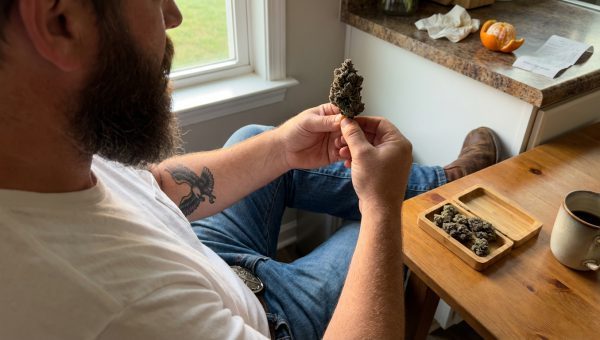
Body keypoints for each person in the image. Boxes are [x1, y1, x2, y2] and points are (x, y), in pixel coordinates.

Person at [0, 1, 499, 339]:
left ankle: (441, 183)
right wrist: (383, 208)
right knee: (389, 230)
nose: (173, 15)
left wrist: (283, 149)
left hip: (206, 261)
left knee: (253, 139)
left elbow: (152, 188)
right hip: (267, 322)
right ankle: (428, 195)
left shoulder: (45, 151)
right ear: (61, 20)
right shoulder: (121, 314)